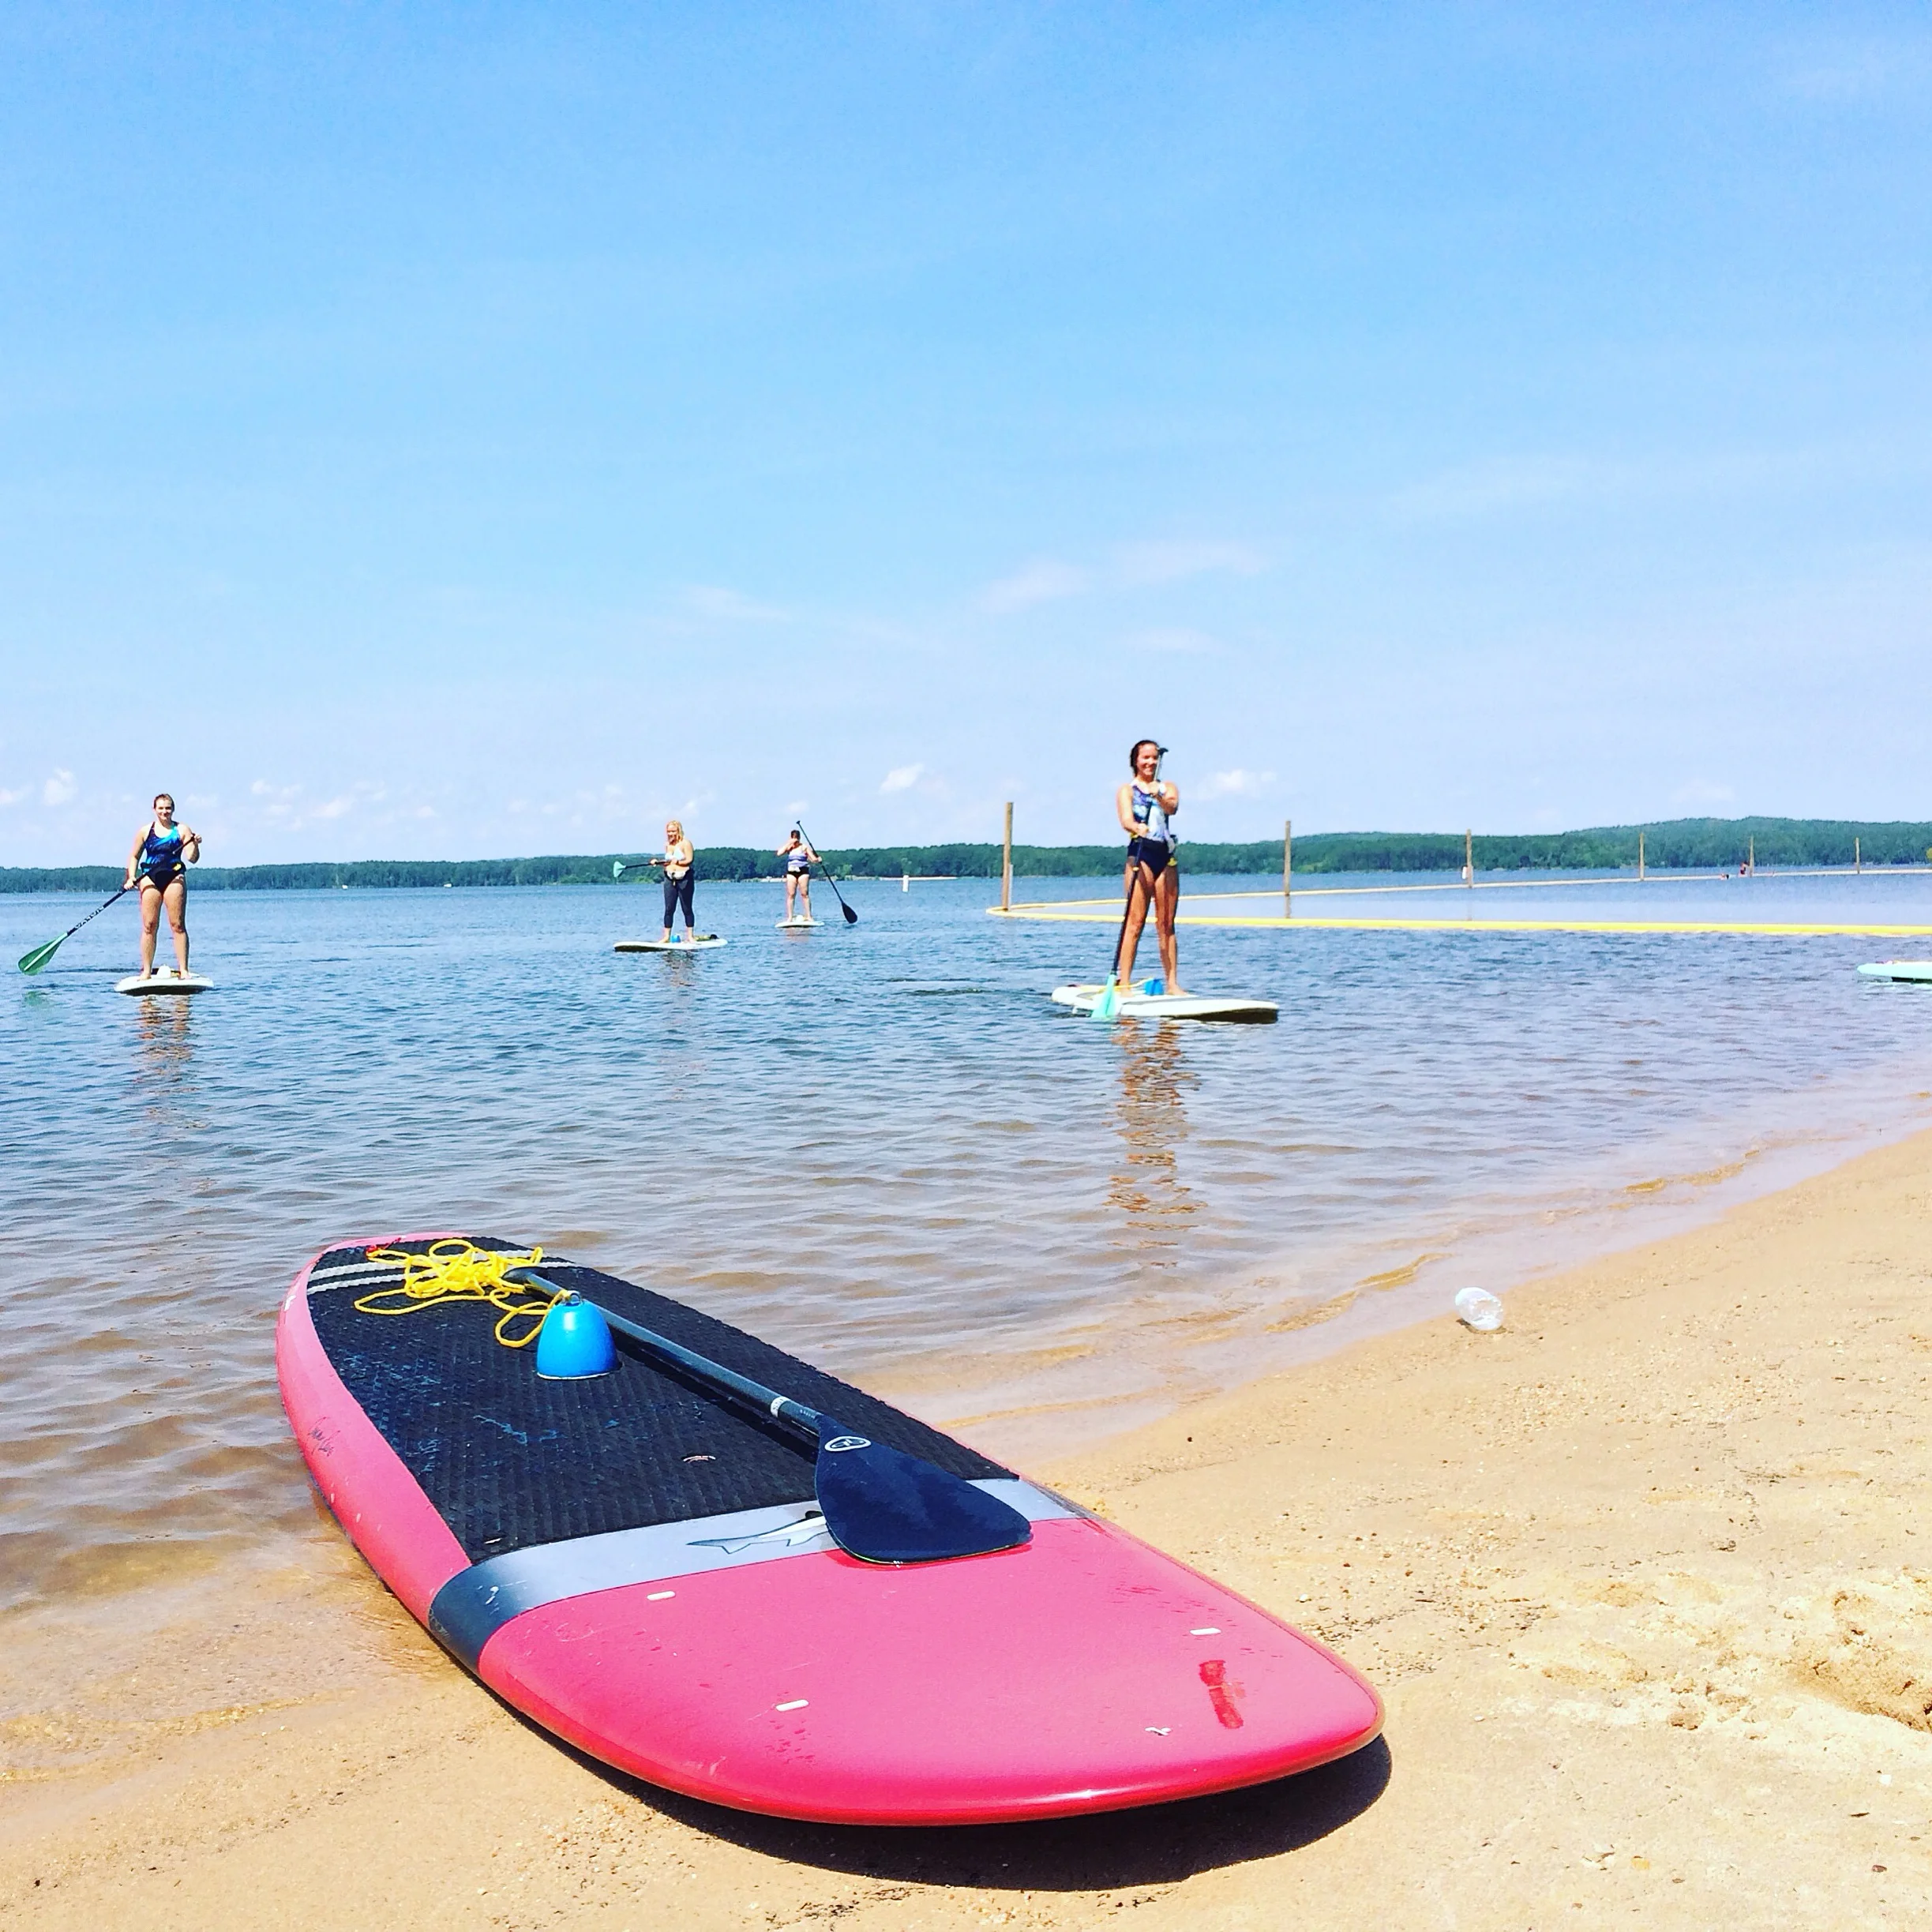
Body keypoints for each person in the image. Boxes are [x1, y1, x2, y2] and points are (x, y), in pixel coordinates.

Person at [1113, 740, 1184, 995]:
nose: (1150, 763)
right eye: (1145, 758)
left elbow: (1172, 808)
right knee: (1135, 922)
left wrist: (1157, 794)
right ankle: (1124, 982)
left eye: (1154, 758)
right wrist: (1136, 827)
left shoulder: (1168, 788)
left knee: (1166, 924)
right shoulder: (1127, 790)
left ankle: (1173, 984)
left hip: (1164, 855)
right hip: (1140, 855)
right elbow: (1125, 819)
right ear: (1136, 761)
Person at [124, 793, 201, 977]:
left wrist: (195, 844)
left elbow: (193, 858)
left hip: (174, 876)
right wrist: (131, 877)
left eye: (168, 808)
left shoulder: (182, 830)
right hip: (150, 877)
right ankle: (147, 971)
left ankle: (184, 970)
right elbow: (134, 856)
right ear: (154, 809)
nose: (164, 812)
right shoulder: (145, 831)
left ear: (173, 809)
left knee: (177, 925)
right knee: (149, 925)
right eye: (161, 808)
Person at [658, 819, 697, 943]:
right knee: (669, 908)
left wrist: (678, 862)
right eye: (669, 831)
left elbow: (689, 860)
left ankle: (690, 936)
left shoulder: (686, 843)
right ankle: (666, 937)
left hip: (684, 877)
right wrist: (658, 863)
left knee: (687, 908)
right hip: (670, 877)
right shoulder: (667, 845)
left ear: (679, 830)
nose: (671, 834)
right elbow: (667, 863)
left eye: (673, 831)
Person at [776, 829, 818, 922]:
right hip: (791, 872)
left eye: (797, 839)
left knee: (804, 894)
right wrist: (789, 843)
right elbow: (779, 853)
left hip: (803, 872)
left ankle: (809, 916)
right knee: (791, 894)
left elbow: (813, 859)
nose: (796, 841)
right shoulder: (789, 848)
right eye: (794, 839)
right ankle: (790, 917)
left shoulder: (804, 847)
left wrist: (817, 859)